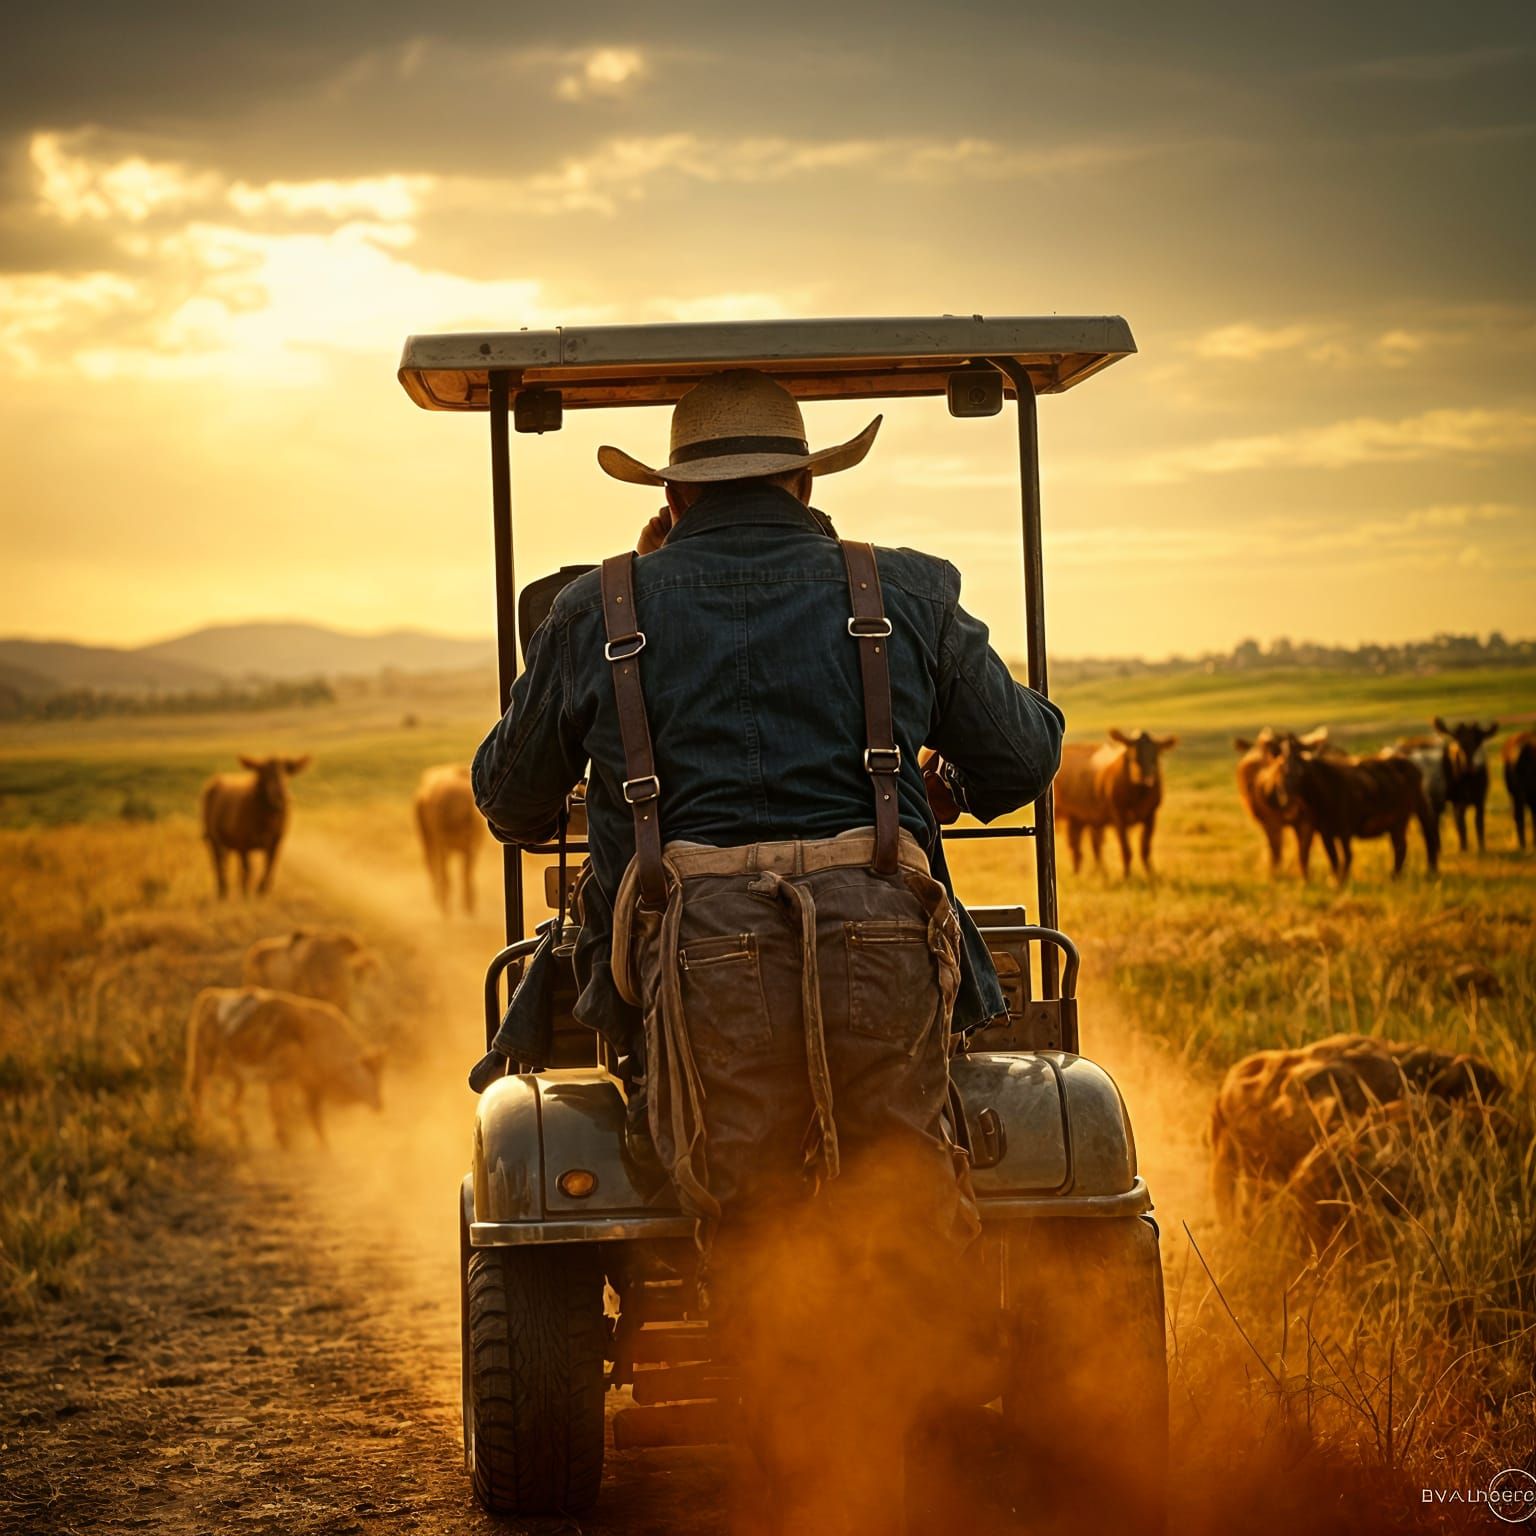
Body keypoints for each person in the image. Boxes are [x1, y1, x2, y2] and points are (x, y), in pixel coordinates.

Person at [471, 368, 1063, 1232]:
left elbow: (509, 802)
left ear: (673, 494)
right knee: (914, 1194)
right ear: (807, 481)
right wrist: (947, 786)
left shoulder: (596, 608)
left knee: (731, 1205)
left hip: (681, 965)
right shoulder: (906, 591)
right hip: (887, 949)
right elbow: (1020, 761)